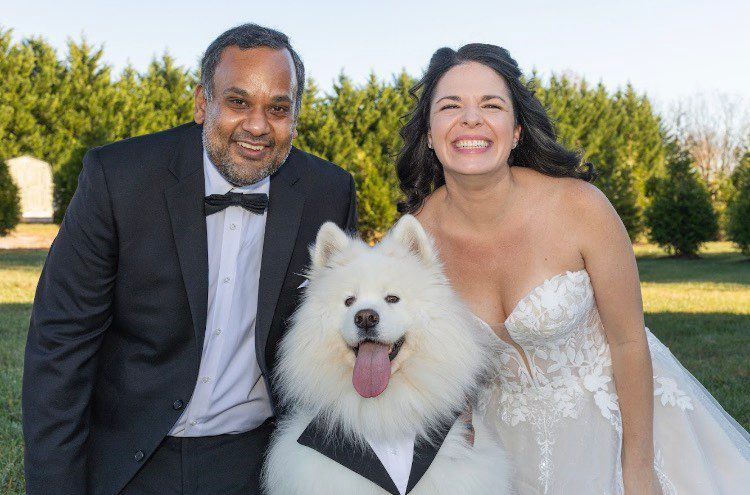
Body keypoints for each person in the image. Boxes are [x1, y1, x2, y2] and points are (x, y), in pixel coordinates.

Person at [396, 43, 750, 494]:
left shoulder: (580, 207)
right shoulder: (413, 241)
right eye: (450, 106)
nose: (471, 119)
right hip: (501, 452)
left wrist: (639, 470)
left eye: (491, 105)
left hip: (623, 428)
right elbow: (433, 366)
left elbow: (628, 342)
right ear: (429, 133)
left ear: (516, 130)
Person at [22, 23, 357, 495]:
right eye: (238, 102)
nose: (257, 126)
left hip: (259, 460)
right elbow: (61, 343)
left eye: (278, 109)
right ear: (202, 103)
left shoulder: (329, 192)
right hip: (131, 454)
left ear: (295, 117)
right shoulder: (119, 179)